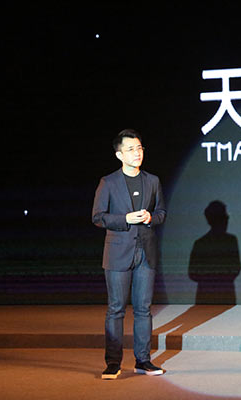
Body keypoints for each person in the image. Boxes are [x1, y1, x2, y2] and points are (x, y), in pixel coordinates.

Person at [92, 129, 167, 380]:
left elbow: (162, 213)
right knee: (116, 308)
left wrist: (150, 217)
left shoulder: (152, 181)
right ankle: (113, 362)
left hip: (146, 252)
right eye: (131, 149)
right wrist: (125, 218)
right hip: (118, 252)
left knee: (144, 308)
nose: (137, 153)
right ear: (119, 155)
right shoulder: (108, 182)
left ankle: (143, 360)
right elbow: (98, 217)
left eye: (140, 148)